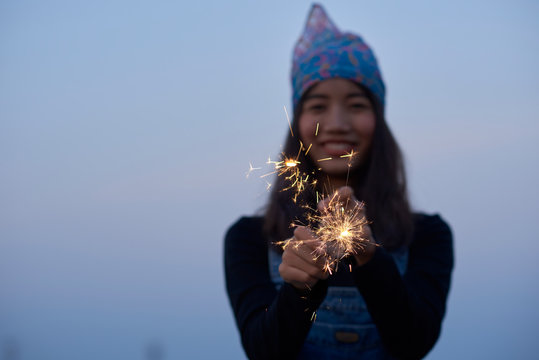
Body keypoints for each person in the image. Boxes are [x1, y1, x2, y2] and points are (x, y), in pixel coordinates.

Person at [224, 4, 453, 360]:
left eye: (357, 105)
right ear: (296, 122)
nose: (336, 123)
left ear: (379, 119)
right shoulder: (249, 240)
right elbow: (264, 351)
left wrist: (368, 256)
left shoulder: (428, 236)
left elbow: (413, 343)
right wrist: (302, 288)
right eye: (317, 106)